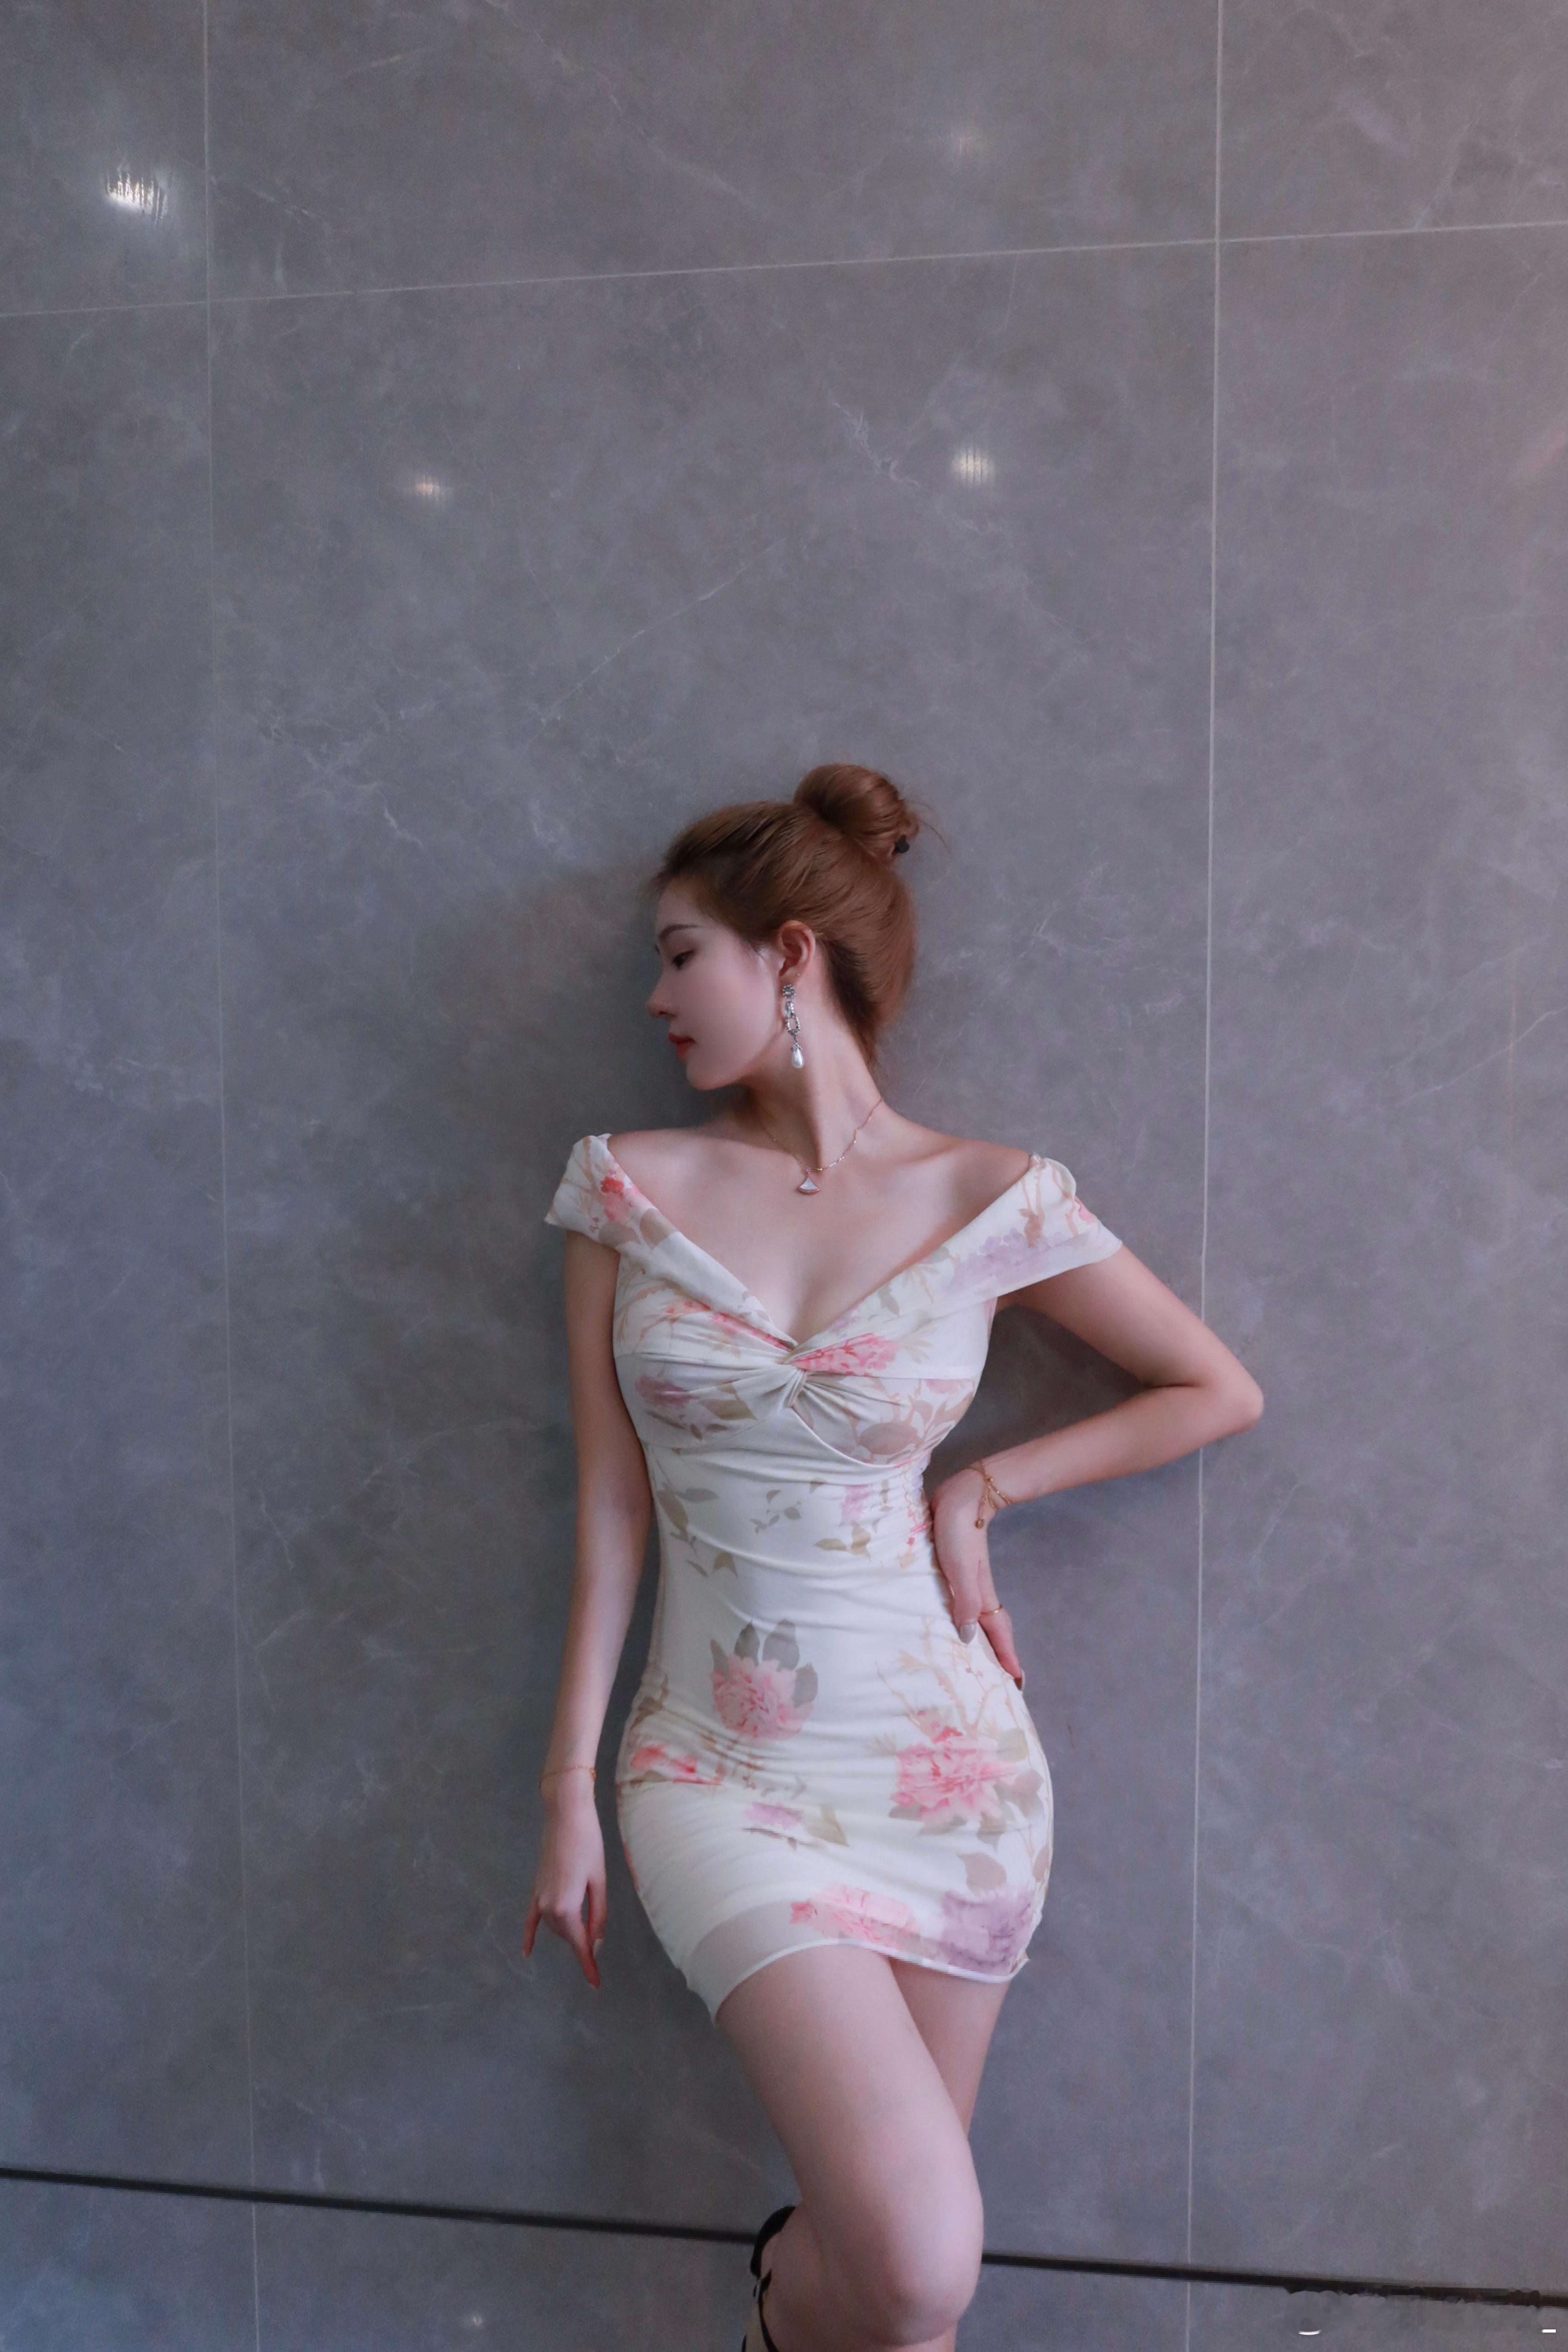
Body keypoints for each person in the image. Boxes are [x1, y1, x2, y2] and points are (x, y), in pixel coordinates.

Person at [523, 764, 1263, 2352]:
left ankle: (791, 2314)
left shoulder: (986, 1197)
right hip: (716, 1768)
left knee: (902, 2309)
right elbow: (610, 1507)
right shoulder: (627, 1189)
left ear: (788, 955)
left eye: (680, 955)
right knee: (918, 2261)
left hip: (946, 1775)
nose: (655, 997)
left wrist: (980, 1488)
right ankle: (781, 2288)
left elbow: (1213, 1388)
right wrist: (563, 1785)